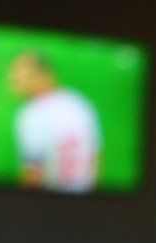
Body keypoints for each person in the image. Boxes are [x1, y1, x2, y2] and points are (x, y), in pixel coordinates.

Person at [7, 51, 101, 193]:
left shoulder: (31, 114)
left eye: (21, 76)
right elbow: (96, 156)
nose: (15, 81)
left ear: (44, 75)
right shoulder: (79, 102)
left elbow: (33, 176)